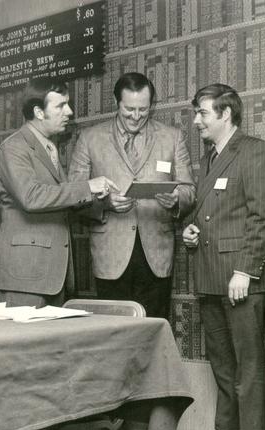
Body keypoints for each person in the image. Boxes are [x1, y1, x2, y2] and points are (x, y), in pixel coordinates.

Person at [0, 76, 117, 430]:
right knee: (23, 358)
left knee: (48, 357)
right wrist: (87, 187)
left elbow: (57, 203)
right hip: (26, 272)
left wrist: (101, 204)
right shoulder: (13, 148)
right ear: (37, 111)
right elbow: (31, 197)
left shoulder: (48, 147)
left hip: (51, 270)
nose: (69, 112)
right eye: (61, 105)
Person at [183, 84, 265, 430]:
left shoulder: (253, 150)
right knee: (222, 358)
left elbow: (263, 216)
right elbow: (214, 212)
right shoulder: (211, 156)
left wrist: (245, 270)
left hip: (240, 277)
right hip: (209, 275)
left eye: (203, 114)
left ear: (226, 115)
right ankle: (228, 428)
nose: (196, 122)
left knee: (247, 360)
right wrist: (191, 229)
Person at [68, 72, 196, 319]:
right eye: (129, 110)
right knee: (114, 333)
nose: (136, 117)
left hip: (156, 256)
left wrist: (177, 198)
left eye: (143, 110)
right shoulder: (90, 138)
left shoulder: (172, 137)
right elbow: (74, 195)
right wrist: (104, 204)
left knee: (153, 330)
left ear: (152, 105)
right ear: (117, 103)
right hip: (111, 256)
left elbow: (189, 190)